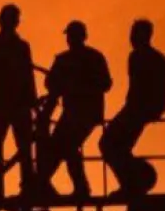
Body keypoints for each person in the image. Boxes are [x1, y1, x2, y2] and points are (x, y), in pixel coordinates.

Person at [36, 20, 112, 199]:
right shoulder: (69, 59)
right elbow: (52, 85)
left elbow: (105, 83)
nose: (70, 40)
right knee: (59, 146)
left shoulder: (89, 58)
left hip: (86, 114)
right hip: (74, 114)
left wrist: (79, 84)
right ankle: (44, 183)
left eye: (72, 36)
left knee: (67, 145)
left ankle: (77, 188)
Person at [99, 19, 165, 199]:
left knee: (108, 143)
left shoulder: (137, 57)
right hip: (144, 108)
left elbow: (138, 88)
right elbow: (164, 88)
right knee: (118, 146)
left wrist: (135, 109)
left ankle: (131, 183)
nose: (130, 37)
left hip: (138, 109)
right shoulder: (158, 58)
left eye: (134, 33)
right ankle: (133, 180)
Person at [0, 4, 38, 201]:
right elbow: (29, 79)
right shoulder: (19, 47)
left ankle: (0, 191)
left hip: (4, 106)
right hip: (11, 106)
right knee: (22, 150)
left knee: (7, 151)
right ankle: (22, 189)